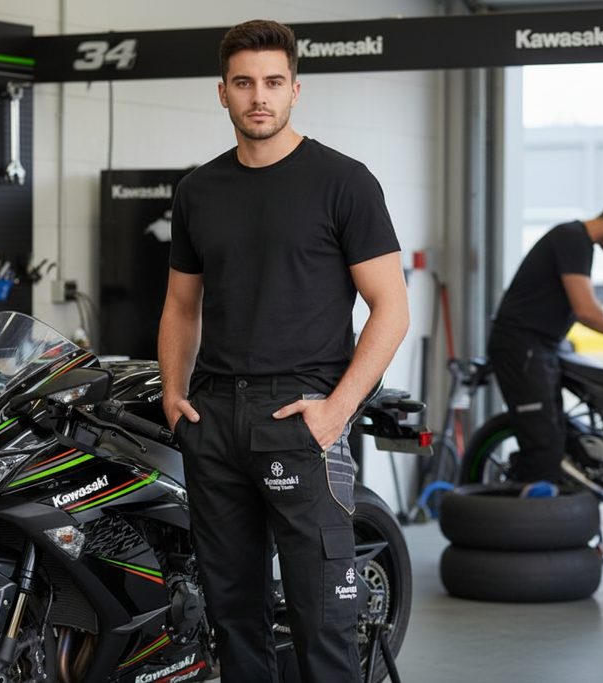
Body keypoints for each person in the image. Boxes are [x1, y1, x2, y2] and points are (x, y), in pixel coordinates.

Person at [157, 19, 408, 683]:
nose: (258, 96)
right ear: (223, 93)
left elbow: (391, 308)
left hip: (300, 420)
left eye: (272, 82)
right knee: (232, 617)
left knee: (323, 620)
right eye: (244, 83)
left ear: (295, 90)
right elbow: (181, 305)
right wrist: (174, 393)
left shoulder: (344, 182)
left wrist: (336, 411)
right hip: (213, 419)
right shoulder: (198, 191)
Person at [488, 198, 603, 483]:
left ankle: (544, 500)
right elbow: (586, 310)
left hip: (540, 348)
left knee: (554, 436)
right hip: (521, 346)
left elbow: (587, 304)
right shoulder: (572, 238)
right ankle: (524, 504)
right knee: (543, 444)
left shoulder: (579, 243)